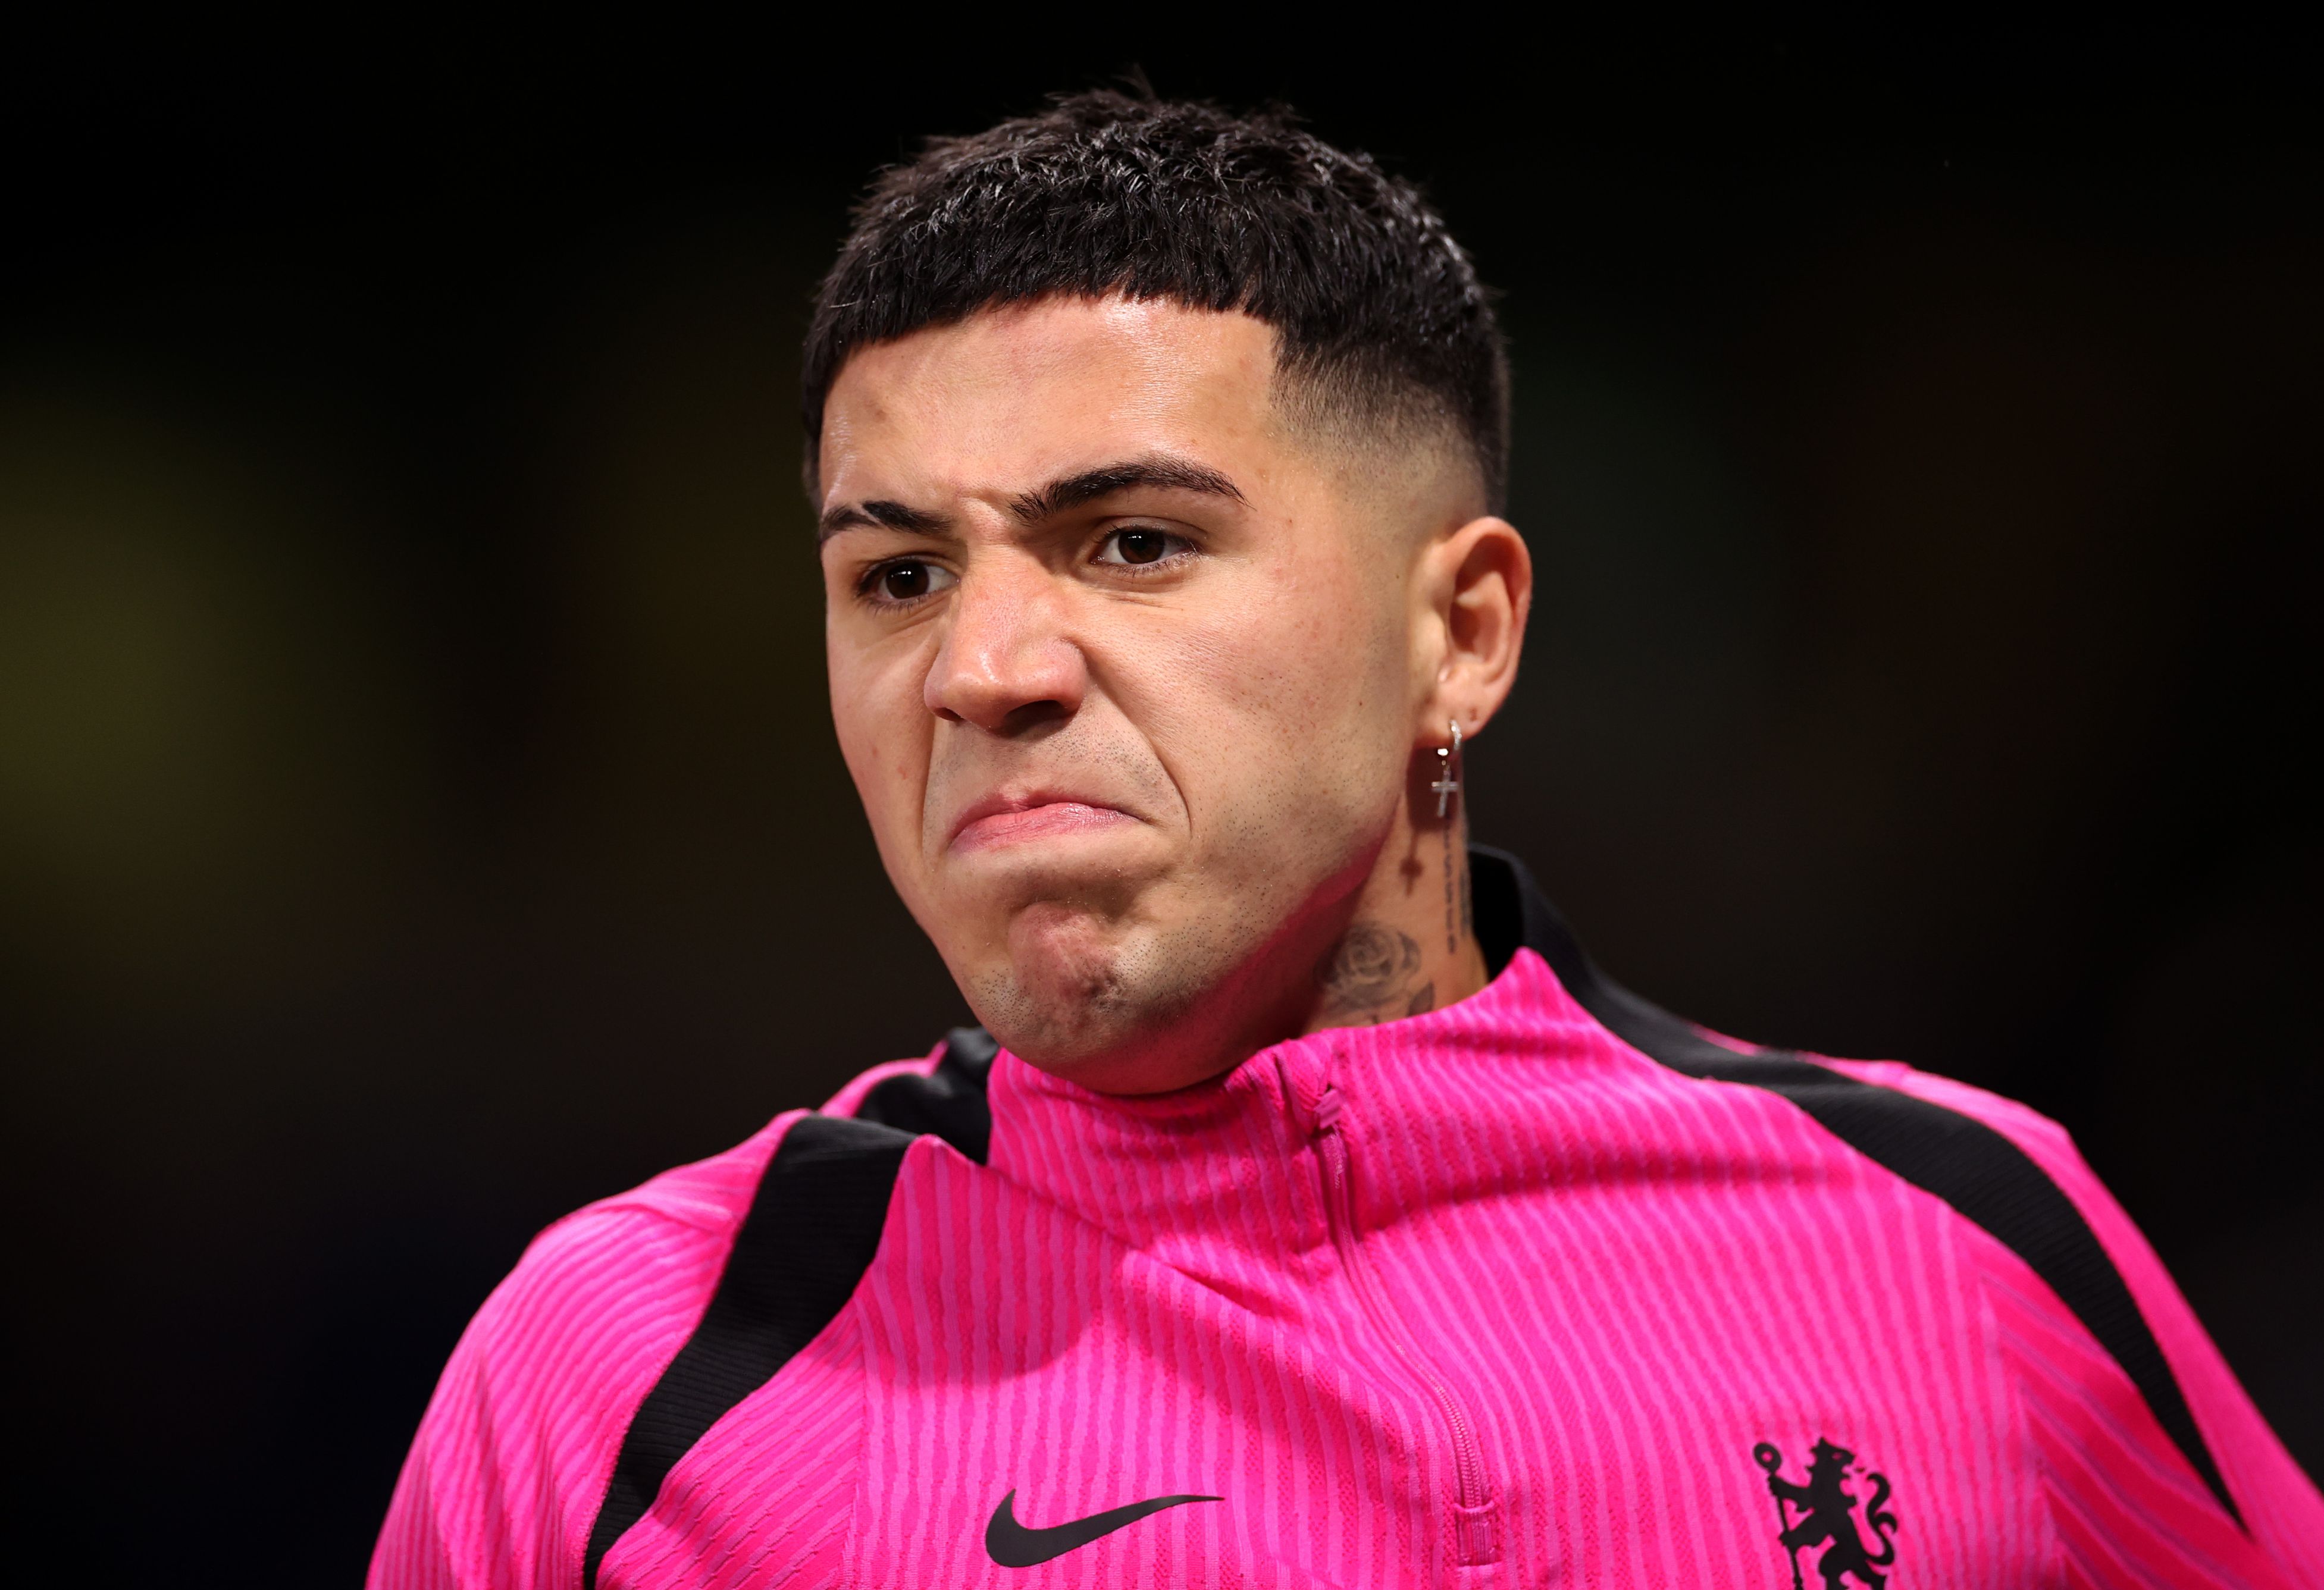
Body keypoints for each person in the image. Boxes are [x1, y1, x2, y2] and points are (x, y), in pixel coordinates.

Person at [371, 91, 2324, 1589]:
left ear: (1457, 633)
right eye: (894, 574)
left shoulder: (1964, 1246)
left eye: (1130, 542)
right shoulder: (626, 1365)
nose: (979, 669)